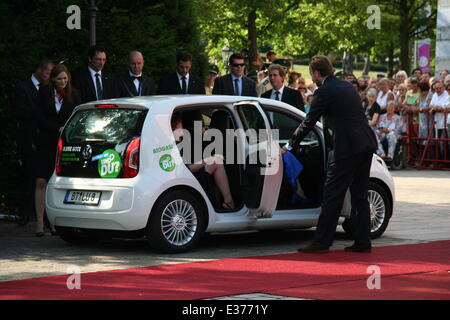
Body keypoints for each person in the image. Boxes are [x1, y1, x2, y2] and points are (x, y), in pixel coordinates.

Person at [283, 55, 377, 253]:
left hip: (347, 148)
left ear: (316, 73)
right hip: (366, 143)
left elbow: (309, 121)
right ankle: (363, 241)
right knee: (360, 196)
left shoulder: (324, 91)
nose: (312, 78)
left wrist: (290, 145)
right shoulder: (346, 87)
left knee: (333, 194)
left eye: (312, 74)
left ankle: (322, 241)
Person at [34, 64, 81, 236]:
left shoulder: (74, 94)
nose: (63, 82)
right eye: (59, 78)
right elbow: (38, 117)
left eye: (65, 78)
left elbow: (78, 117)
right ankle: (40, 223)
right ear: (53, 79)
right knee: (41, 181)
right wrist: (56, 128)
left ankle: (55, 222)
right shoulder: (44, 93)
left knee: (59, 183)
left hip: (64, 144)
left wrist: (66, 130)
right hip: (45, 142)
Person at [12, 59, 55, 226]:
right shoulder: (23, 88)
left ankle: (43, 215)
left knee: (43, 176)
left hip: (44, 139)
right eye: (47, 73)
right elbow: (19, 110)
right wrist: (38, 113)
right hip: (29, 138)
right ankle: (25, 213)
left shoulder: (48, 90)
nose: (49, 77)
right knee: (29, 176)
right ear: (39, 71)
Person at [171, 112, 235, 210]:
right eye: (181, 123)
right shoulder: (173, 144)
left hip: (185, 176)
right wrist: (207, 160)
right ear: (174, 126)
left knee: (216, 161)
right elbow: (188, 169)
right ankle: (228, 202)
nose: (183, 128)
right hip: (186, 178)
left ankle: (220, 205)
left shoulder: (179, 140)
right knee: (216, 162)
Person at [429, 81, 450, 160]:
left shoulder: (446, 94)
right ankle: (440, 161)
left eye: (440, 88)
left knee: (443, 143)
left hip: (445, 124)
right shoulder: (434, 95)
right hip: (436, 123)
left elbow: (445, 107)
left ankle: (445, 161)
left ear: (443, 88)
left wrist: (436, 108)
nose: (438, 90)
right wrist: (435, 107)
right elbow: (430, 105)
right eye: (436, 88)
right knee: (437, 142)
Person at [417, 81, 433, 150]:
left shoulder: (430, 95)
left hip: (429, 120)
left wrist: (420, 110)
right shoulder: (420, 96)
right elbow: (416, 105)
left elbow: (429, 107)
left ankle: (431, 158)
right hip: (422, 120)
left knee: (429, 140)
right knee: (422, 140)